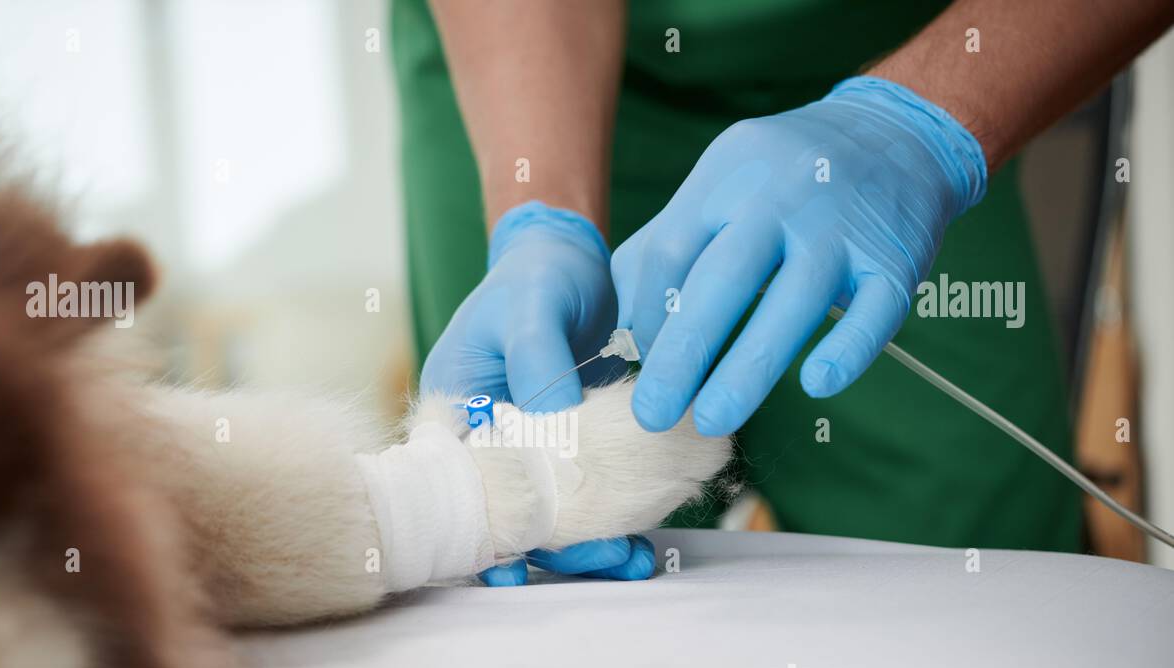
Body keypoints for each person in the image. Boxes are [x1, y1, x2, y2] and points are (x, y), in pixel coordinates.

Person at [391, 0, 1174, 585]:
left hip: (917, 61)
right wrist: (542, 219)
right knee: (541, 575)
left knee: (989, 580)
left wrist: (920, 126)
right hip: (537, 62)